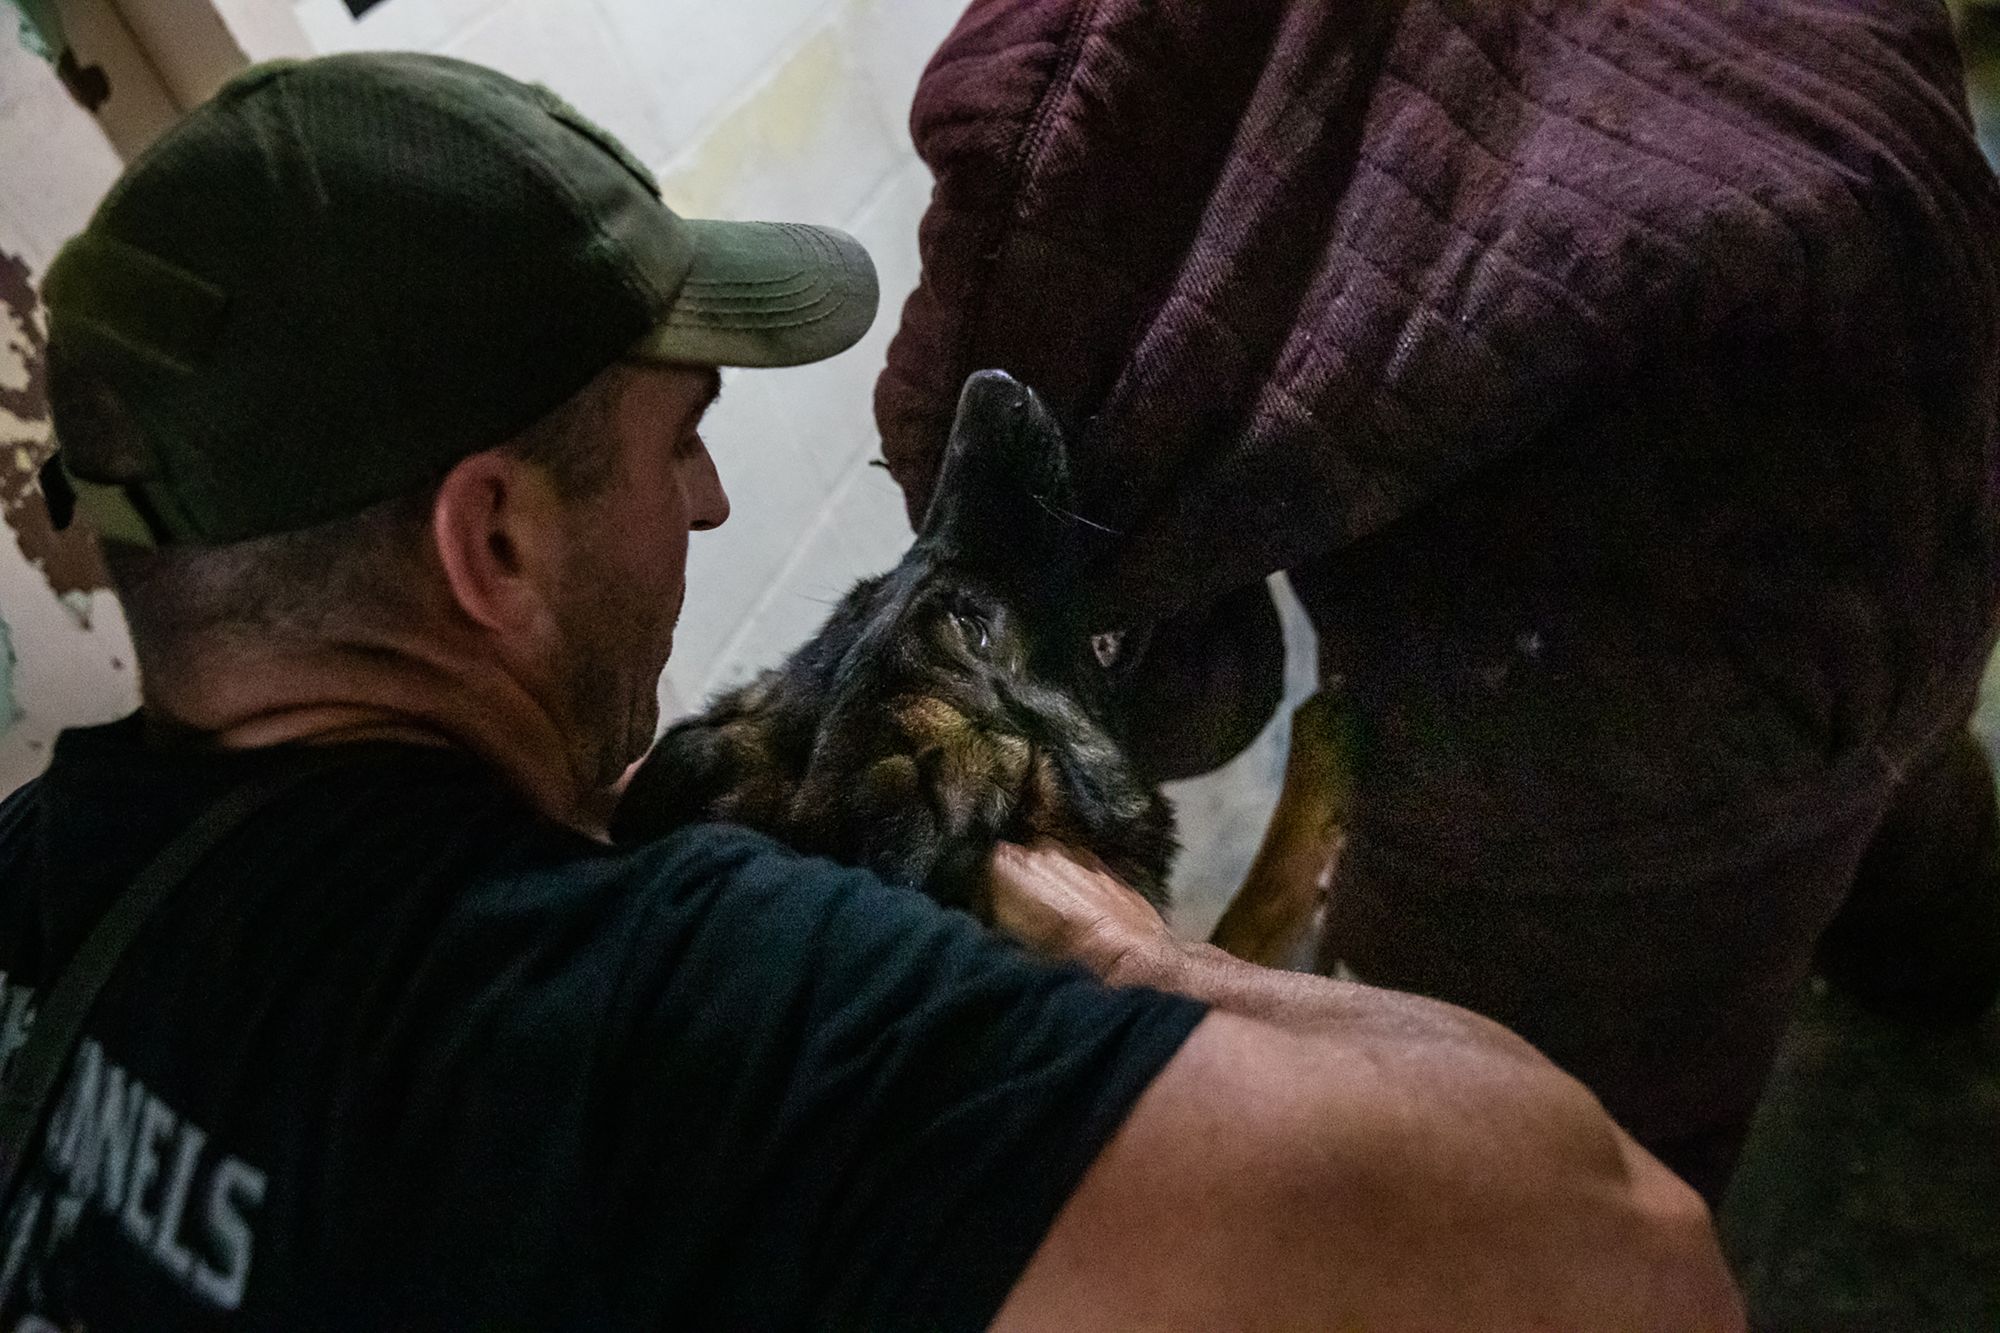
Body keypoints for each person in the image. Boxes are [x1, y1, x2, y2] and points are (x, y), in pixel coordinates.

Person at [0, 53, 1740, 1330]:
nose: (710, 504)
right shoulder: (669, 1035)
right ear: (497, 545)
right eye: (673, 445)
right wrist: (1100, 938)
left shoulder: (38, 889)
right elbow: (1625, 1254)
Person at [874, 0, 2000, 1206]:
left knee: (1538, 1174)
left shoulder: (1064, 94)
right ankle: (1949, 974)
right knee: (1895, 804)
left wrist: (1184, 662)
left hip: (1615, 701)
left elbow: (1077, 598)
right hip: (1931, 463)